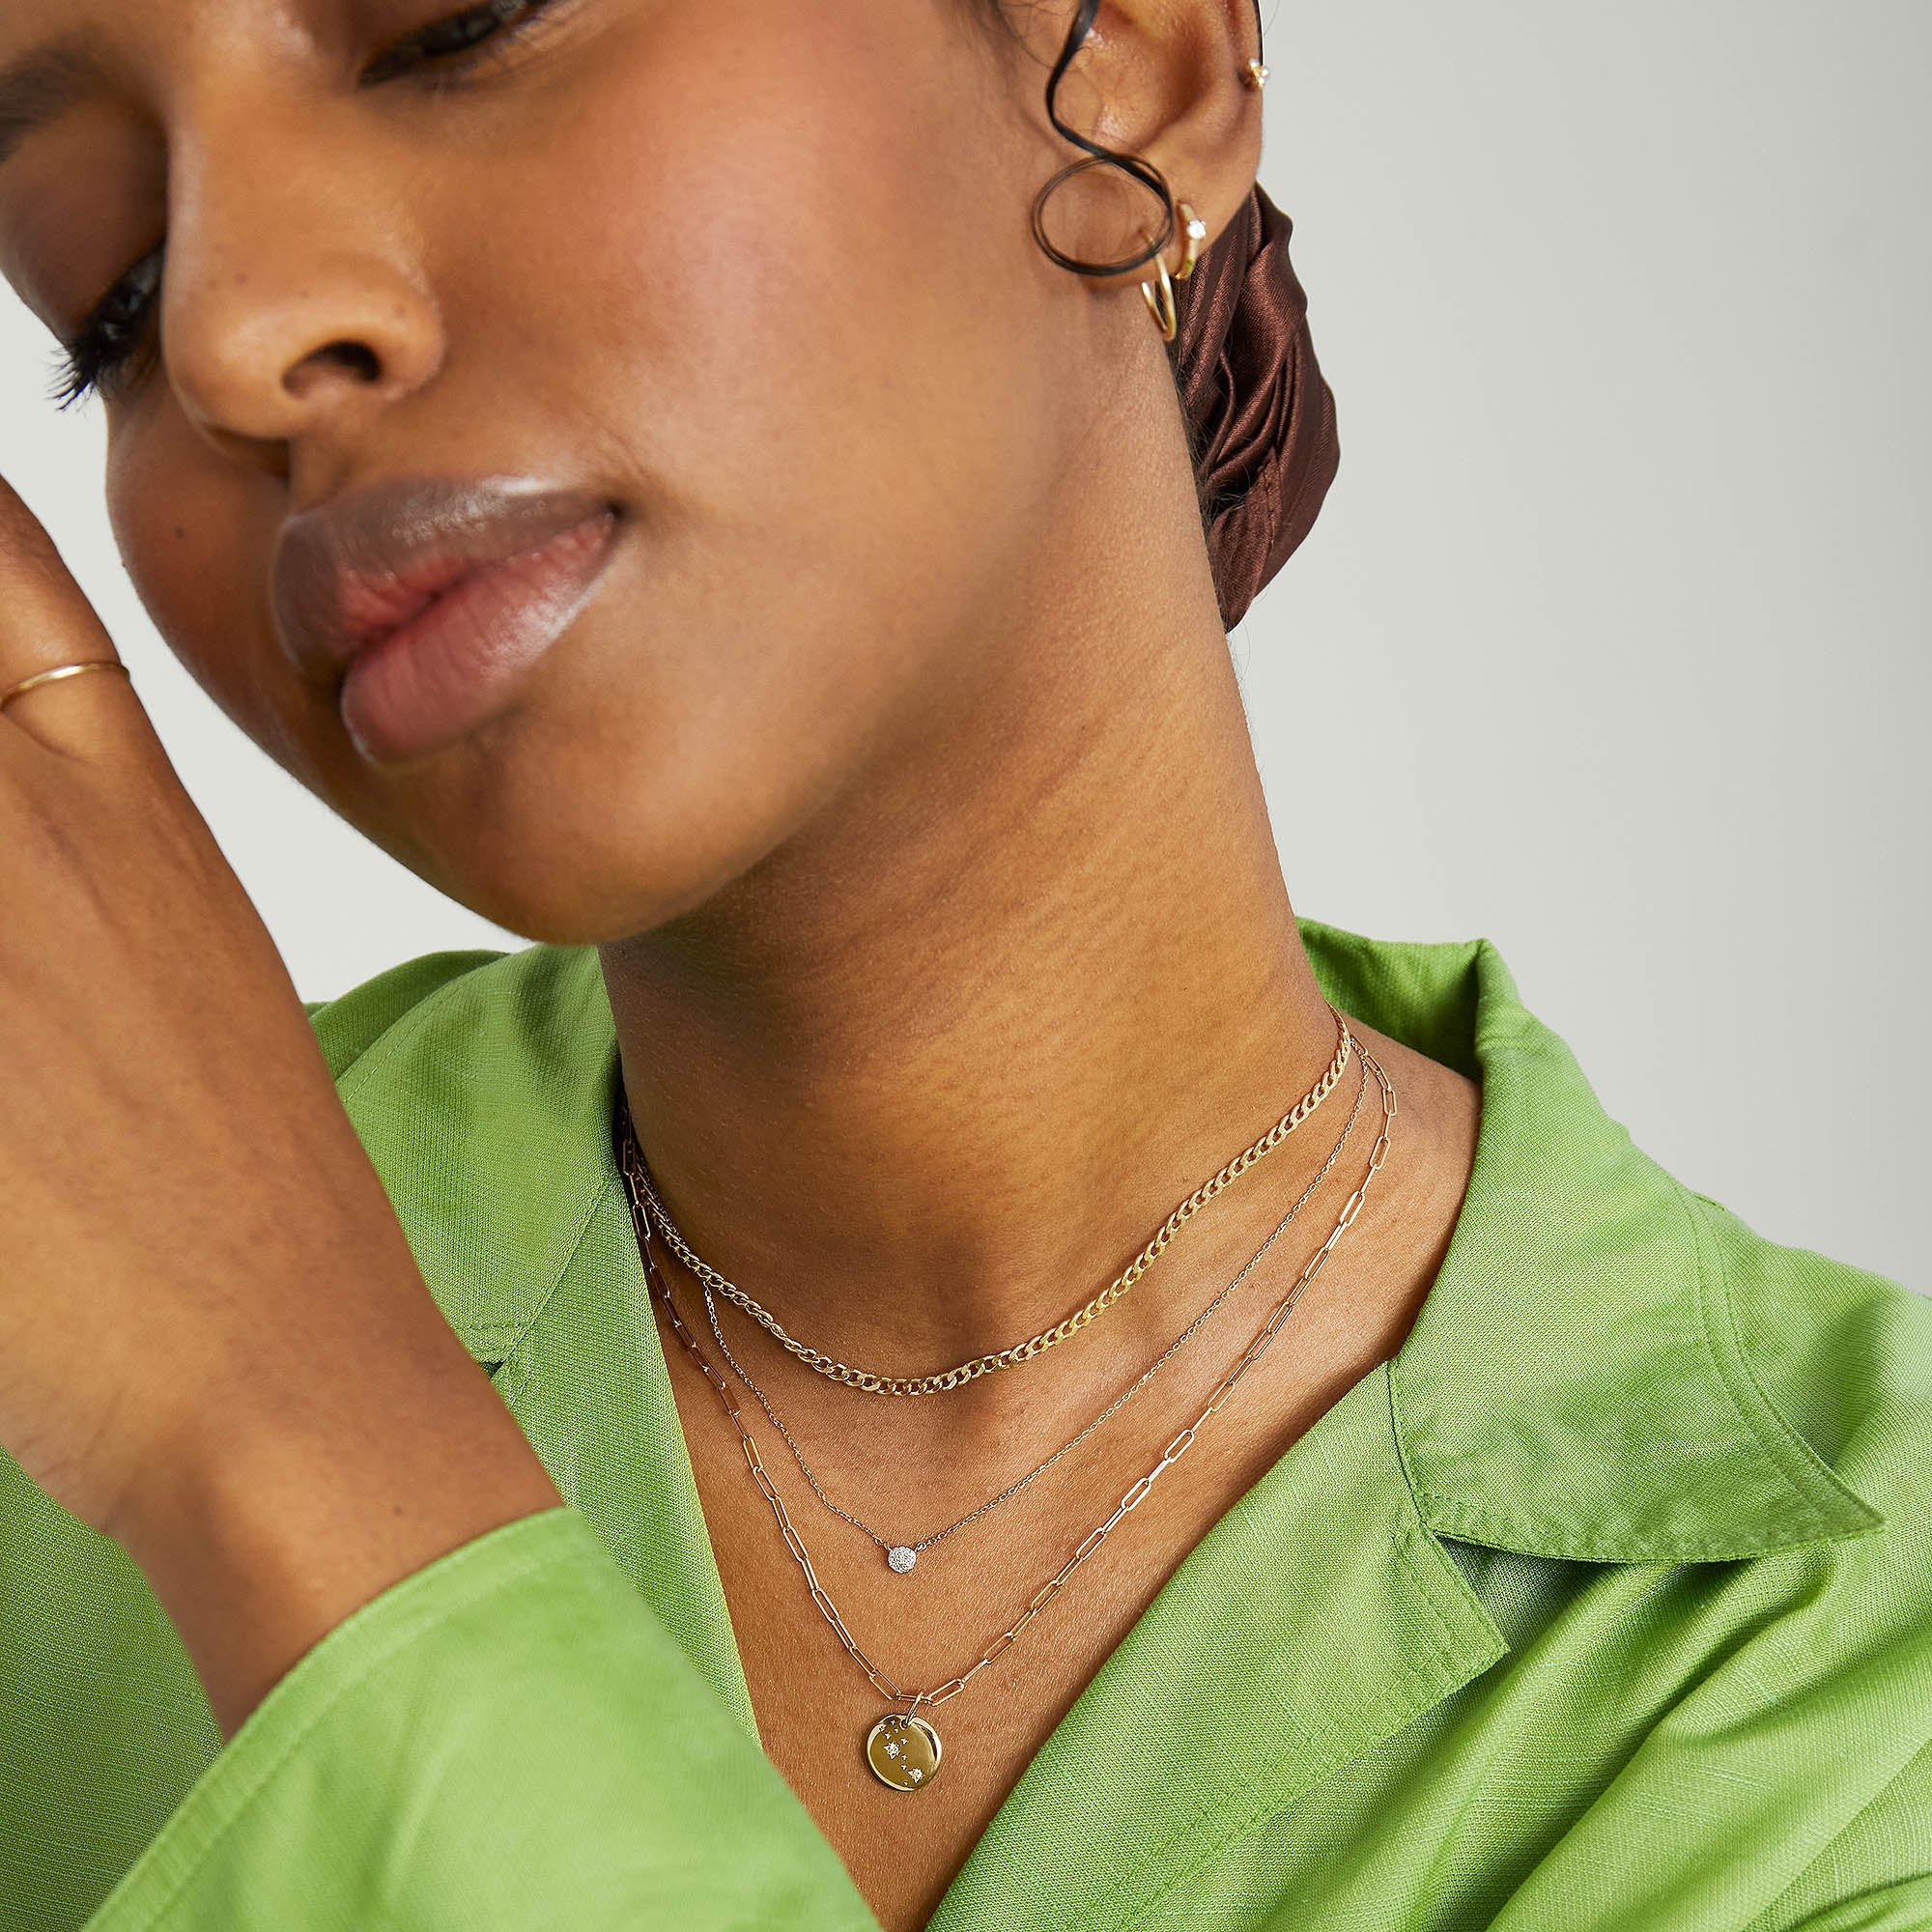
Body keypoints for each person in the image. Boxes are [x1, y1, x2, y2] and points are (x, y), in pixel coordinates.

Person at [0, 1, 1926, 1928]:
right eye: (112, 293)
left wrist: (295, 1445)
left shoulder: (1859, 1671)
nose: (229, 340)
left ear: (1142, 60)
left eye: (455, 22)